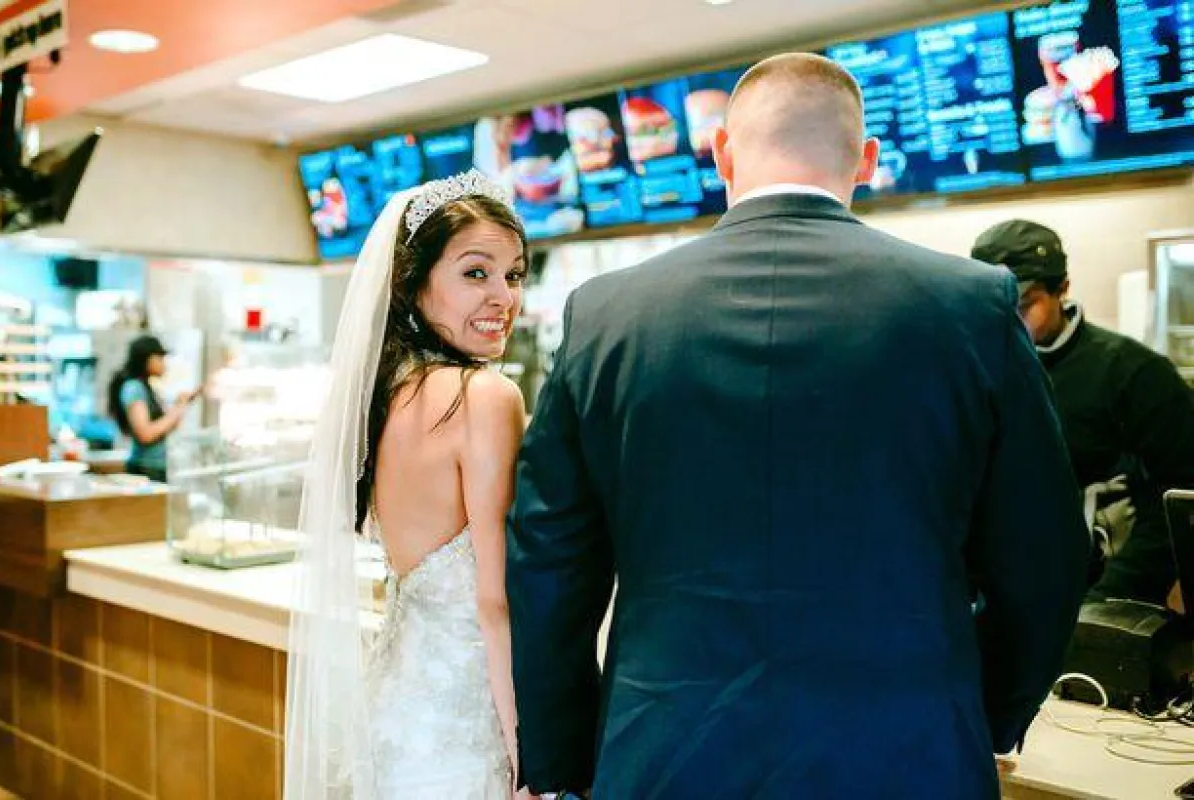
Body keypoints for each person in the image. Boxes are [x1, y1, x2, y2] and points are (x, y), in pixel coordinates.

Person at [507, 53, 1090, 799]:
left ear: (720, 152)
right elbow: (1044, 555)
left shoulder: (607, 315)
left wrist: (563, 758)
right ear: (867, 159)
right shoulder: (971, 306)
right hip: (907, 749)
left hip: (667, 752)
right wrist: (985, 714)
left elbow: (549, 561)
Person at [283, 170, 533, 799]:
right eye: (475, 273)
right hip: (465, 733)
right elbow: (495, 602)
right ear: (414, 283)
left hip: (393, 721)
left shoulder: (383, 402)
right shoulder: (485, 398)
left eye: (513, 275)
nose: (502, 297)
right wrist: (527, 756)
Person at [972, 220, 1194, 606]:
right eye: (996, 308)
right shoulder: (978, 371)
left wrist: (1110, 597)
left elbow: (1175, 496)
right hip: (1007, 594)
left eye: (1023, 306)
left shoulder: (1133, 373)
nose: (1011, 322)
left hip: (1105, 591)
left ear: (1062, 288)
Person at [106, 334, 197, 483]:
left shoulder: (145, 387)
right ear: (146, 359)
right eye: (160, 358)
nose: (164, 364)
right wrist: (178, 408)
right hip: (146, 468)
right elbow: (145, 434)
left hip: (155, 466)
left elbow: (163, 429)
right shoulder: (134, 387)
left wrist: (180, 406)